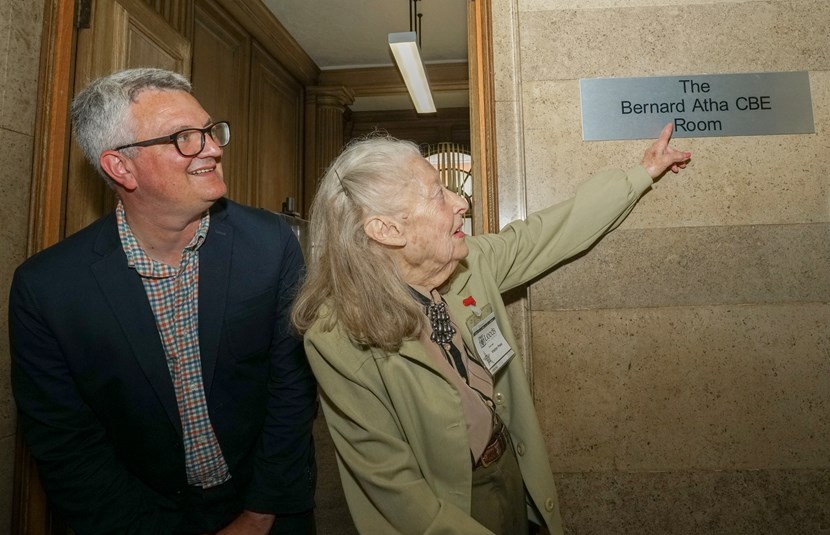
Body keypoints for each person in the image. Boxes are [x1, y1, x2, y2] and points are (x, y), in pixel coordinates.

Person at [290, 125, 690, 534]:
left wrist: (641, 174)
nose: (460, 201)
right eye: (437, 193)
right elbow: (396, 489)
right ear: (387, 230)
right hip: (451, 509)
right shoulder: (336, 335)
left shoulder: (468, 266)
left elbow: (548, 232)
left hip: (511, 472)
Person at [10, 68, 317, 534]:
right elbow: (67, 444)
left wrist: (258, 516)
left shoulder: (270, 244)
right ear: (121, 167)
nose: (213, 148)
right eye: (185, 138)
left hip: (268, 506)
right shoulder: (47, 288)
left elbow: (292, 393)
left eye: (210, 132)